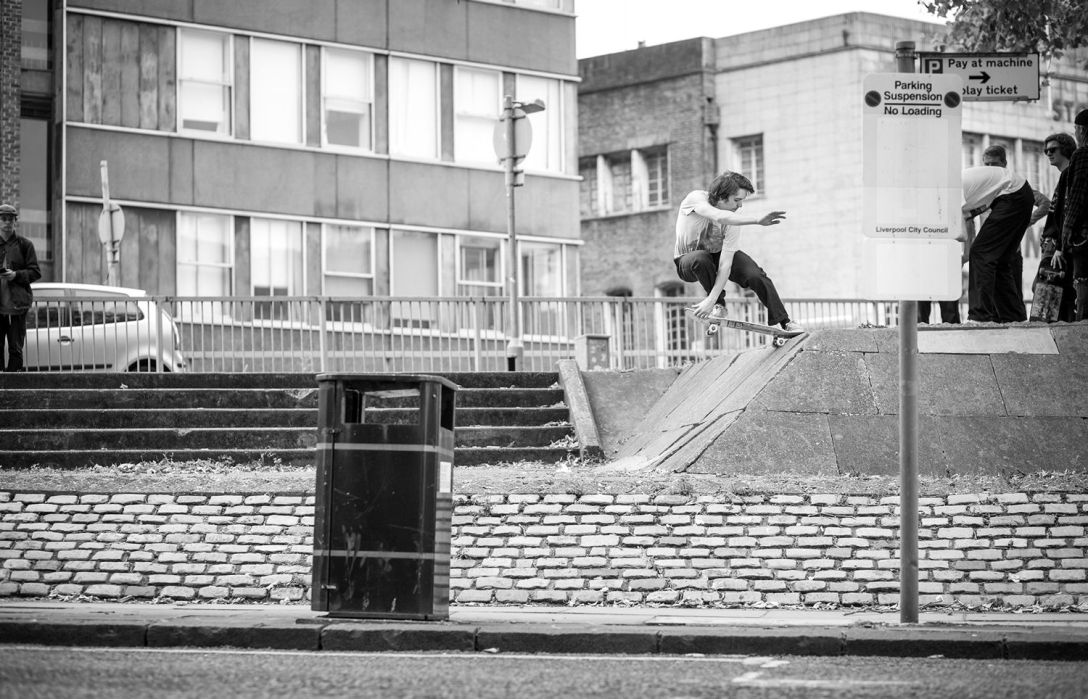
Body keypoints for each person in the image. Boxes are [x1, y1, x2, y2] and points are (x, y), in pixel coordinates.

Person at [674, 171, 802, 332]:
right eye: (737, 200)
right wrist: (757, 220)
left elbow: (725, 265)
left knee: (755, 274)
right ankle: (719, 306)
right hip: (687, 261)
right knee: (701, 258)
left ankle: (785, 322)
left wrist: (711, 298)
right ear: (721, 196)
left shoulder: (733, 222)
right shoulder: (696, 199)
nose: (740, 205)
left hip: (718, 255)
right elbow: (718, 216)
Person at [964, 149, 1037, 323]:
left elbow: (963, 229)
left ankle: (980, 316)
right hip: (1021, 194)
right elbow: (967, 224)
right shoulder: (969, 186)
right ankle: (1014, 317)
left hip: (1013, 194)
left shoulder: (948, 194)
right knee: (1001, 262)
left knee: (981, 253)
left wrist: (968, 253)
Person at [979, 145, 1050, 322]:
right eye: (986, 165)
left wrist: (1025, 222)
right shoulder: (983, 188)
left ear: (1004, 163)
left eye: (994, 164)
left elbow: (1045, 203)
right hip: (989, 255)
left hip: (1010, 254)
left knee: (1013, 298)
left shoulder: (1014, 187)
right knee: (992, 299)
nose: (990, 169)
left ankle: (1020, 333)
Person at [1031, 133, 1078, 322]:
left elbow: (1066, 214)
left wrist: (1059, 246)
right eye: (1045, 151)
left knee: (1046, 294)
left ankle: (1045, 334)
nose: (1048, 154)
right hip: (1054, 245)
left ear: (1065, 149)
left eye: (1052, 150)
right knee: (1056, 291)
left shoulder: (1070, 174)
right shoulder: (1065, 176)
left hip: (1057, 245)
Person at [1051, 109, 1088, 321]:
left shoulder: (1082, 155)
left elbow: (1076, 197)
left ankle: (1083, 326)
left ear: (1082, 131)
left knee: (1082, 280)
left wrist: (1064, 237)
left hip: (1083, 235)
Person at [0, 203, 42, 372]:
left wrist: (15, 275)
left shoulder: (25, 245)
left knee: (16, 351)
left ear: (15, 221)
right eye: (3, 219)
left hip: (17, 308)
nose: (7, 222)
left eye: (10, 219)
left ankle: (13, 391)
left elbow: (35, 272)